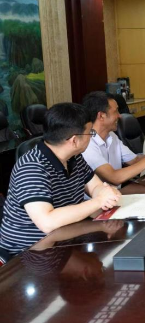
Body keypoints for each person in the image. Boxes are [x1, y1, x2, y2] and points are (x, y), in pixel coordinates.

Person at [0, 103, 121, 255]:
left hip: (65, 238)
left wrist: (105, 194)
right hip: (29, 252)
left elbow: (95, 186)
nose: (92, 136)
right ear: (74, 140)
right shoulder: (32, 167)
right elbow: (47, 222)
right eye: (90, 132)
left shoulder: (74, 157)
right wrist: (99, 201)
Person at [81, 91, 145, 186]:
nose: (119, 115)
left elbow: (134, 161)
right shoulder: (88, 144)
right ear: (101, 116)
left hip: (117, 192)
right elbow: (114, 177)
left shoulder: (112, 135)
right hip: (102, 195)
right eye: (116, 111)